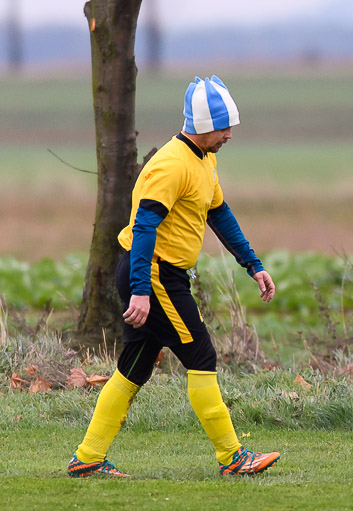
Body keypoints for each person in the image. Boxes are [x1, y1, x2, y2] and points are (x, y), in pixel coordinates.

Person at [67, 76, 280, 478]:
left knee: (133, 369)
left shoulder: (204, 159)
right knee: (201, 356)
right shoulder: (170, 165)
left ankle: (88, 458)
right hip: (154, 276)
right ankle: (233, 457)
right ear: (203, 125)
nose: (229, 135)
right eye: (223, 128)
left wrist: (253, 264)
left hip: (157, 276)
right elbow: (144, 227)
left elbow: (219, 213)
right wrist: (141, 291)